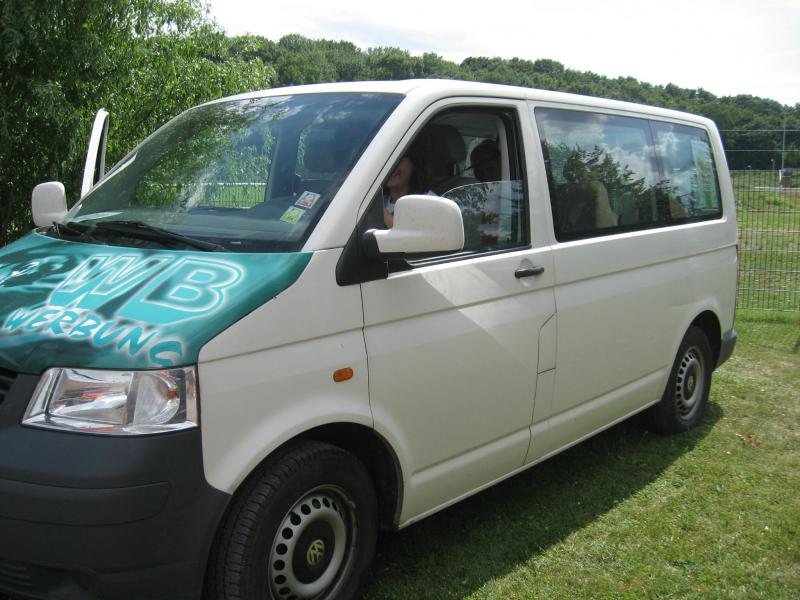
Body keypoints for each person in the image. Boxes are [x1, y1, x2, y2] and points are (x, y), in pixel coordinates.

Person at [383, 154, 427, 227]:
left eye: (399, 159)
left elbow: (407, 234)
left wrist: (382, 212)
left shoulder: (429, 201)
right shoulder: (376, 201)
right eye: (386, 161)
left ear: (413, 164)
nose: (391, 166)